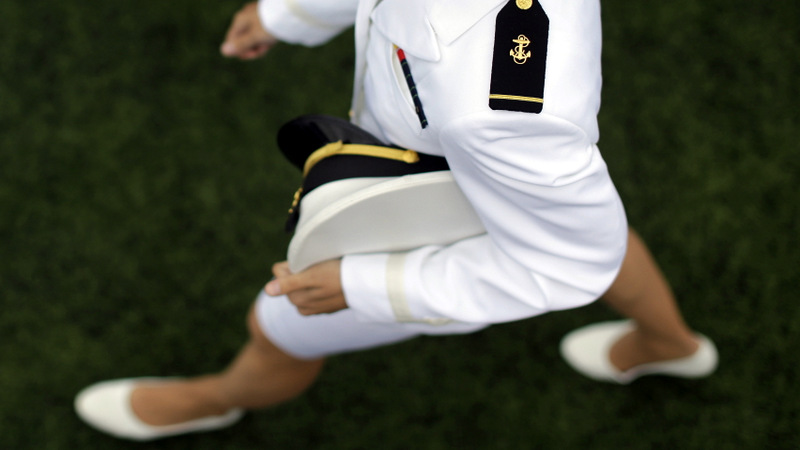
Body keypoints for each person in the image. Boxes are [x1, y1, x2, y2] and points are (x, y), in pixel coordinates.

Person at [74, 0, 718, 441]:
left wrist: (364, 286)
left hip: (437, 219)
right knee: (559, 220)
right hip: (484, 173)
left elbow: (572, 260)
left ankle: (213, 400)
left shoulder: (501, 108)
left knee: (280, 323)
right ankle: (670, 344)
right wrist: (288, 14)